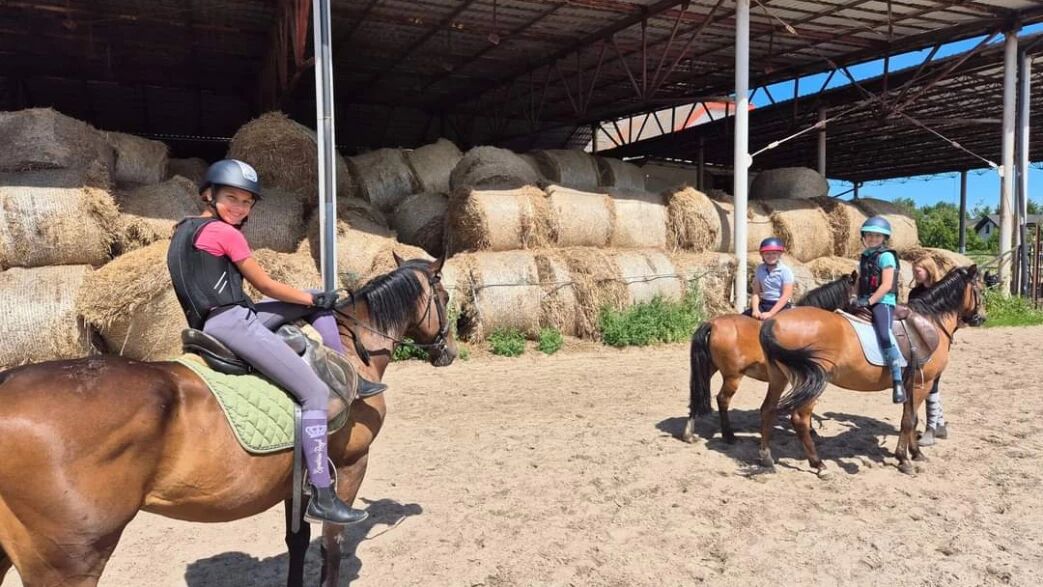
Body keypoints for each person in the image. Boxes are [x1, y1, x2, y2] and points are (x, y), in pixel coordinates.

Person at [166, 159, 381, 525]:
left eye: (246, 202)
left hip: (214, 319)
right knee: (314, 393)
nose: (239, 207)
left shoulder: (182, 229)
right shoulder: (226, 233)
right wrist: (313, 298)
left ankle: (351, 374)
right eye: (231, 198)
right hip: (232, 322)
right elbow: (264, 284)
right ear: (209, 194)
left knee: (314, 303)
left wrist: (311, 300)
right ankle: (323, 495)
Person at [854, 216, 905, 404]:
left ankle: (897, 378)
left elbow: (886, 285)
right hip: (864, 299)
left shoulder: (886, 256)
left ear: (884, 238)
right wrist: (855, 298)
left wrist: (870, 301)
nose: (872, 238)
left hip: (883, 301)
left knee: (884, 334)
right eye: (869, 235)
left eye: (877, 236)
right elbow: (860, 280)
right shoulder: (865, 256)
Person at [909, 256, 948, 446]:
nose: (916, 273)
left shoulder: (940, 291)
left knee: (931, 384)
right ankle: (939, 425)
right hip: (920, 340)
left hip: (936, 342)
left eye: (919, 270)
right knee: (931, 384)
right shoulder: (915, 292)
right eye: (914, 270)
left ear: (928, 270)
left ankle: (932, 429)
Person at [744, 237, 795, 321]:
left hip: (781, 306)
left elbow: (786, 295)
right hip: (764, 303)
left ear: (779, 254)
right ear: (762, 255)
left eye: (774, 253)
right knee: (742, 319)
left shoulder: (785, 271)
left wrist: (771, 313)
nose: (771, 256)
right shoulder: (760, 269)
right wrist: (755, 310)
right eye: (767, 253)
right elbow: (756, 292)